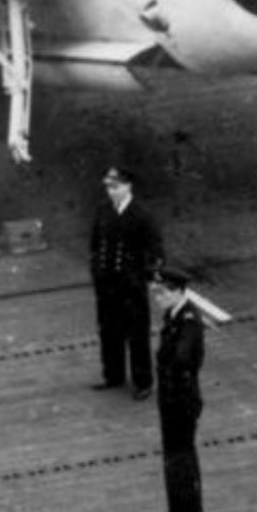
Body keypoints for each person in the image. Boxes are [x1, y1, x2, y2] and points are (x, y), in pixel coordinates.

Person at [88, 165, 166, 395]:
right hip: (106, 283)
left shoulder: (142, 214)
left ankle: (143, 383)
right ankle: (113, 376)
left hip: (131, 286)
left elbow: (156, 251)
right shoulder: (103, 210)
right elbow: (95, 244)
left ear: (128, 186)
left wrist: (147, 276)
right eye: (109, 187)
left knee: (137, 334)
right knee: (109, 331)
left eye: (116, 187)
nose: (111, 192)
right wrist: (96, 271)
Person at [151, 266, 206, 512]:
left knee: (181, 469)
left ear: (177, 292)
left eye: (161, 293)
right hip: (173, 401)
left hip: (180, 403)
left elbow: (182, 359)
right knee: (176, 466)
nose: (157, 297)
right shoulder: (175, 316)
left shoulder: (187, 322)